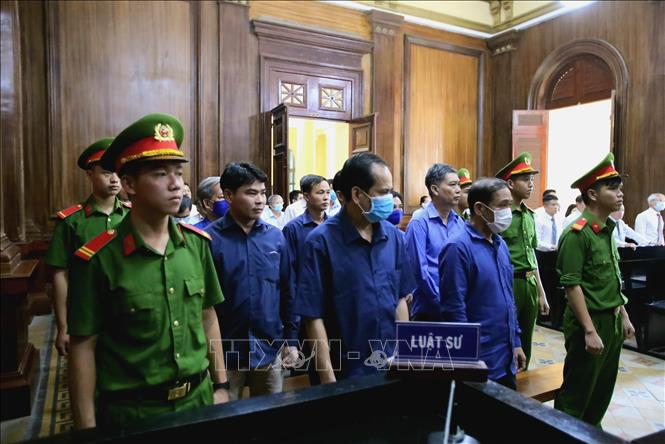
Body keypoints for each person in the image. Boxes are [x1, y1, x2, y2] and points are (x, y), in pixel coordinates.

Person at [67, 113, 229, 430]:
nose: (176, 184)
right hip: (133, 414)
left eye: (178, 173)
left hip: (198, 402)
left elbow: (208, 316)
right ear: (129, 184)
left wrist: (220, 385)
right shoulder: (98, 258)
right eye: (160, 173)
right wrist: (86, 429)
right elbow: (83, 347)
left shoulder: (196, 245)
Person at [296, 152, 414, 382]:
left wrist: (405, 357)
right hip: (346, 370)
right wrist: (329, 382)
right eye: (383, 192)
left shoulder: (393, 237)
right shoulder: (320, 242)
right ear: (357, 194)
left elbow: (400, 299)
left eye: (390, 191)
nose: (389, 200)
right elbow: (313, 318)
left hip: (390, 364)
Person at [206, 162, 299, 400]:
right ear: (229, 195)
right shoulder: (209, 240)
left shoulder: (275, 238)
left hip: (269, 347)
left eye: (263, 193)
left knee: (270, 415)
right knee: (225, 416)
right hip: (225, 352)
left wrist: (291, 340)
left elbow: (287, 290)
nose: (260, 200)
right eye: (251, 193)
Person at [555, 153, 635, 426]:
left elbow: (611, 278)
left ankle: (591, 433)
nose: (620, 193)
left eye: (620, 187)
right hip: (589, 321)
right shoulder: (578, 234)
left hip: (611, 318)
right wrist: (589, 330)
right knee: (577, 393)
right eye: (613, 188)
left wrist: (624, 315)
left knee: (601, 390)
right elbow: (572, 286)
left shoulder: (607, 230)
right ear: (592, 194)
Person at [44, 138, 130, 357]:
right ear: (90, 174)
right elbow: (60, 275)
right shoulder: (71, 221)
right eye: (107, 173)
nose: (114, 179)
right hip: (85, 314)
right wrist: (63, 326)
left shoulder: (133, 216)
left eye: (118, 173)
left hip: (128, 311)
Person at [439, 177, 525, 388]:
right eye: (502, 205)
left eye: (509, 205)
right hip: (479, 361)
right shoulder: (457, 247)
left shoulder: (500, 243)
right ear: (479, 208)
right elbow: (454, 309)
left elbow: (508, 298)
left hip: (506, 358)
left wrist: (515, 342)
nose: (508, 212)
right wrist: (467, 357)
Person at [495, 152, 549, 369]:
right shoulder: (501, 216)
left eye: (532, 180)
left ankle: (523, 378)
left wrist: (541, 292)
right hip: (509, 281)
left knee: (526, 337)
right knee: (506, 336)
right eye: (526, 180)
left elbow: (531, 254)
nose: (531, 184)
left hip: (529, 282)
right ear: (510, 183)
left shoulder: (529, 215)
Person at [405, 164, 464, 321]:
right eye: (452, 185)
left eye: (459, 185)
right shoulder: (419, 222)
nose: (458, 190)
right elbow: (419, 271)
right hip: (428, 311)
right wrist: (442, 302)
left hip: (456, 309)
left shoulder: (459, 223)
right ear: (435, 189)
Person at [283, 175, 330, 290]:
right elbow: (289, 269)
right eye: (320, 193)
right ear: (306, 196)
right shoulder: (292, 228)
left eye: (328, 192)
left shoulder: (334, 226)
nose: (326, 197)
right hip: (305, 291)